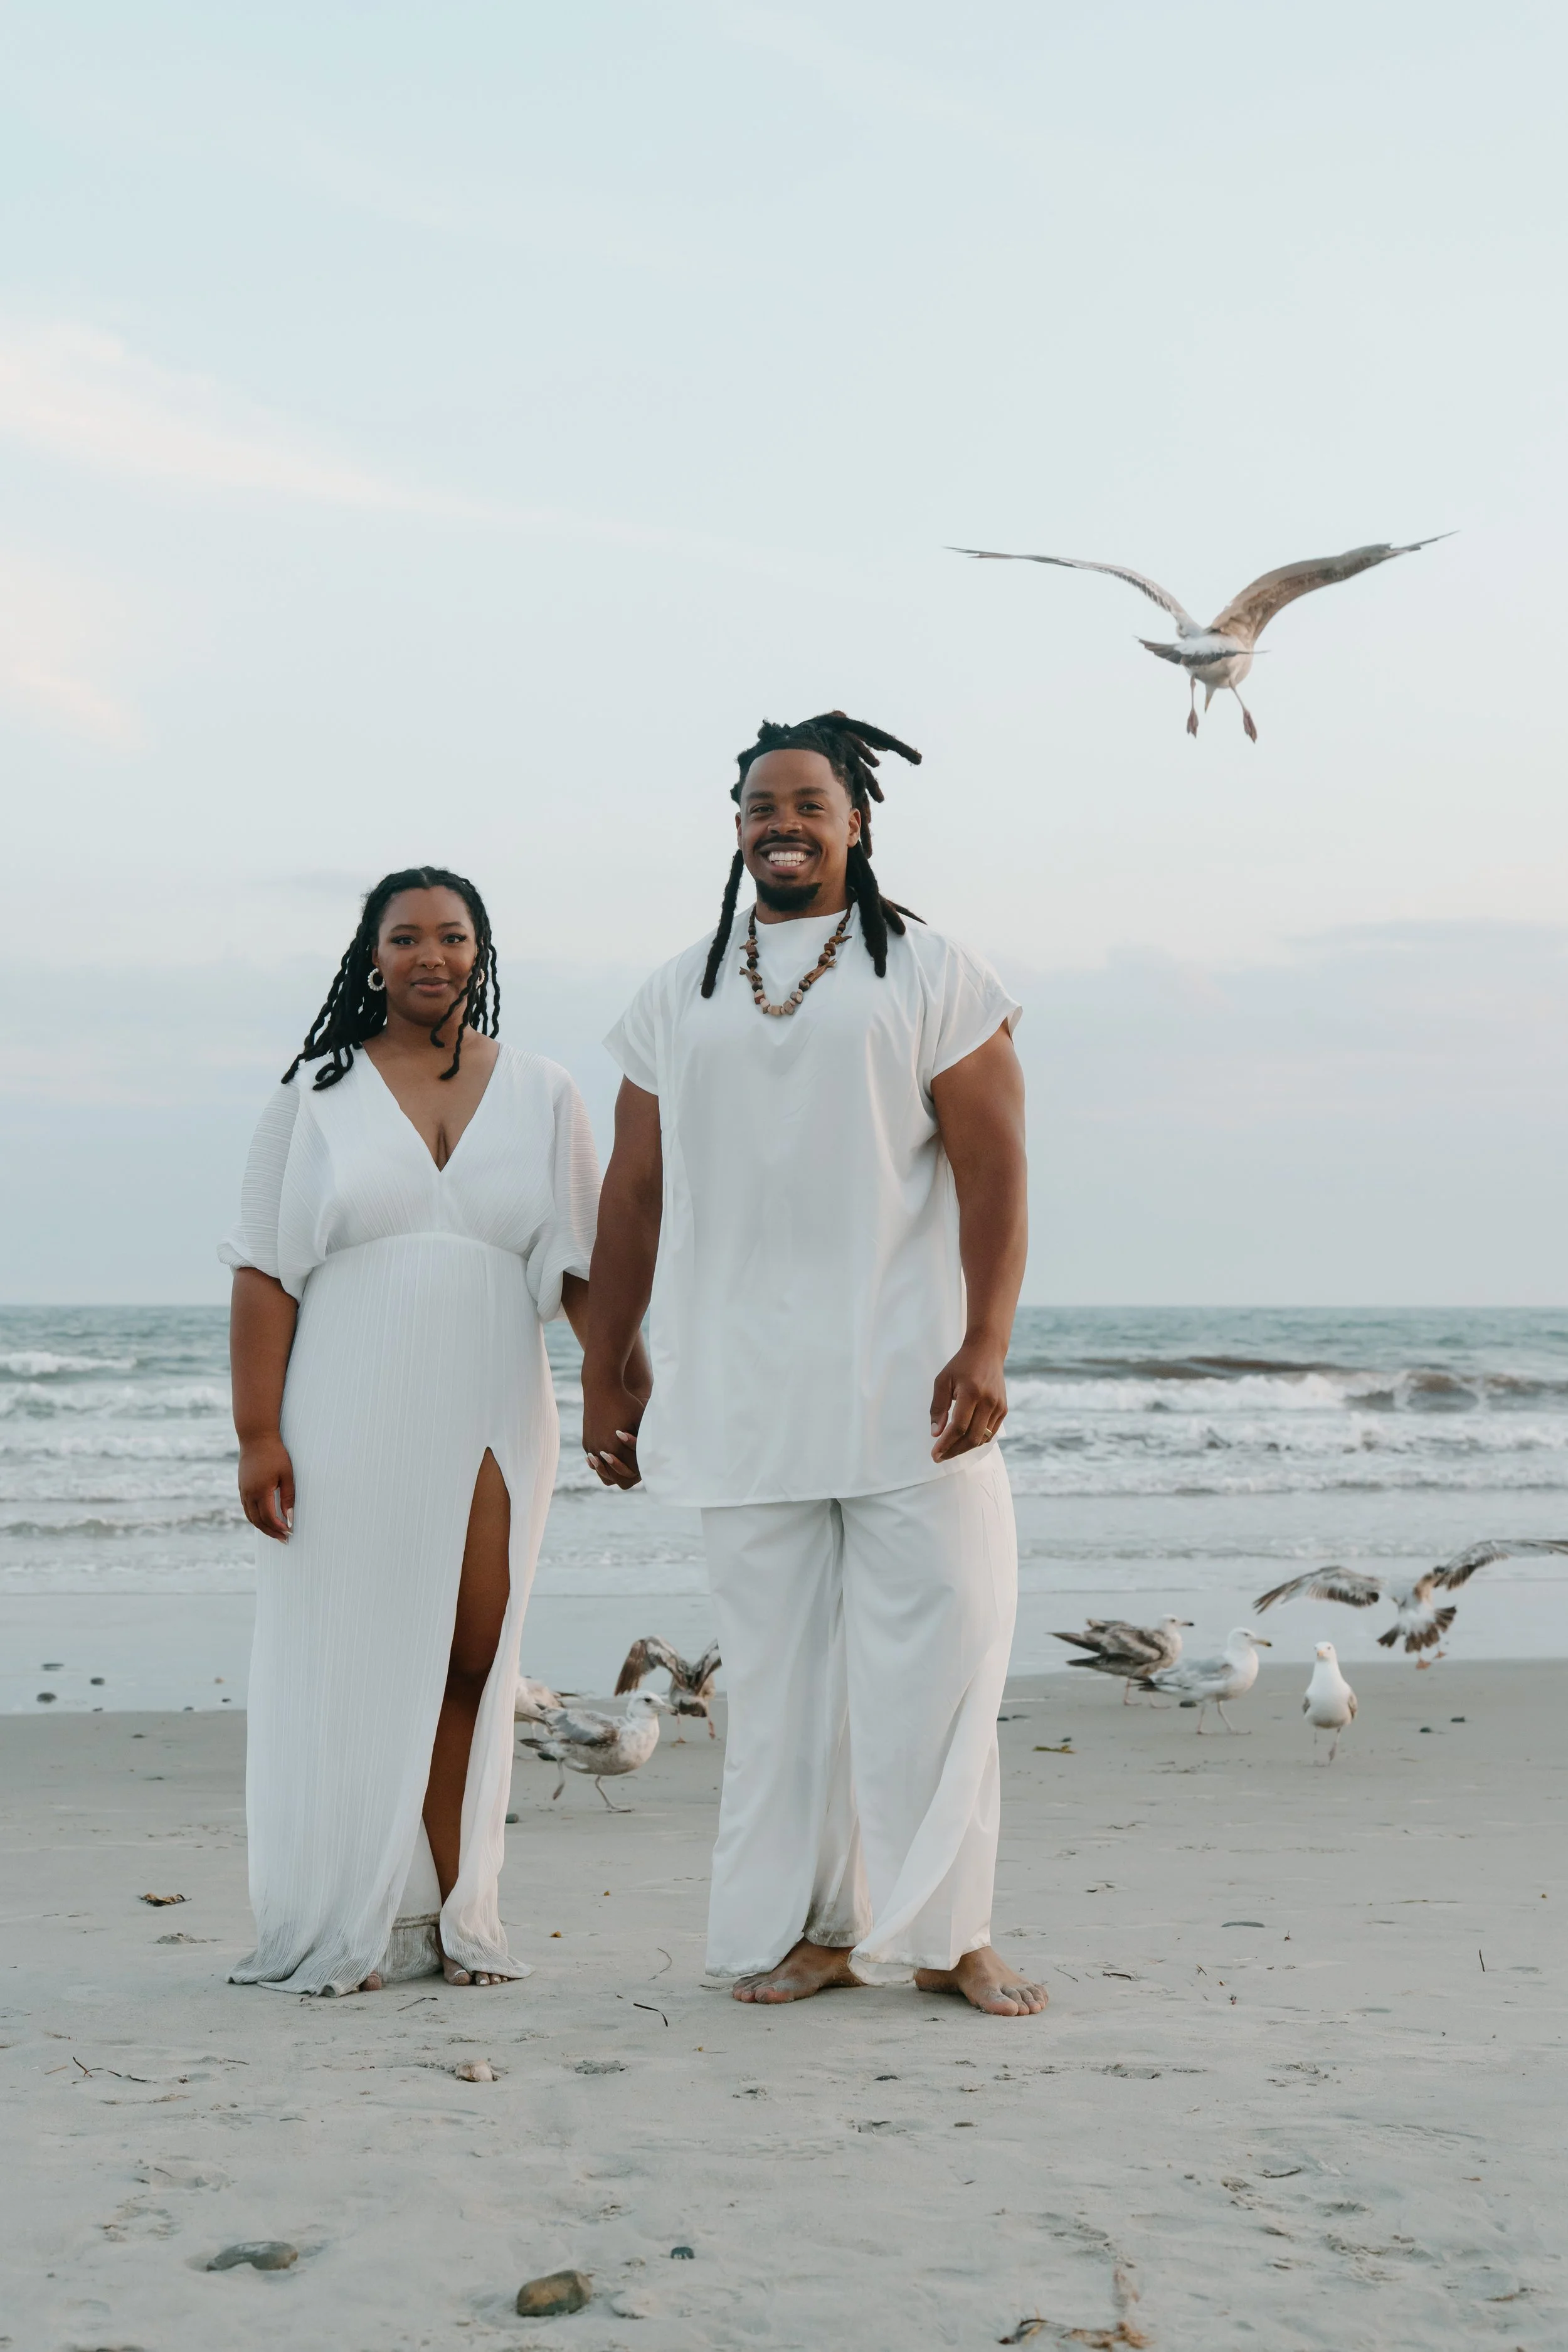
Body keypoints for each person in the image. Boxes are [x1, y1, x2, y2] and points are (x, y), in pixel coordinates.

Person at [581, 714, 1045, 2016]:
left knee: (940, 1656)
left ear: (854, 821)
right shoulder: (677, 991)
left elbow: (994, 1170)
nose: (779, 824)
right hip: (739, 1384)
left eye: (806, 803)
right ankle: (818, 1929)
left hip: (909, 1381)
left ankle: (952, 1937)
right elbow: (632, 1192)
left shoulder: (934, 973)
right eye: (756, 807)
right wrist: (606, 1359)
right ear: (734, 829)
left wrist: (986, 1339)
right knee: (780, 1685)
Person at [223, 866, 618, 1995]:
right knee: (359, 1653)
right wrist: (260, 1433)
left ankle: (456, 1908)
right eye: (406, 937)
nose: (430, 956)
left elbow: (581, 1264)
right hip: (345, 1399)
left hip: (497, 1391)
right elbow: (265, 1271)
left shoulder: (544, 1091)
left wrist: (611, 1385)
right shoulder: (314, 1093)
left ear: (481, 952)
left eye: (453, 936)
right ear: (372, 954)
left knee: (476, 1652)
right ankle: (366, 1912)